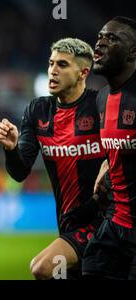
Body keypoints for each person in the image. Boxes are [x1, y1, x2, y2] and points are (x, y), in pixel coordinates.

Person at [0, 38, 106, 279]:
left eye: (63, 65)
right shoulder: (38, 110)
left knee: (43, 268)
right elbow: (20, 171)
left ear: (83, 73)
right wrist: (11, 149)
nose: (53, 71)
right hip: (67, 223)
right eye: (51, 63)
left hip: (104, 219)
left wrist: (107, 166)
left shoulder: (100, 105)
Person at [82, 16, 136, 279]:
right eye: (100, 36)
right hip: (114, 226)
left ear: (133, 52)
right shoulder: (102, 98)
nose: (100, 43)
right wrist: (106, 164)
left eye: (112, 38)